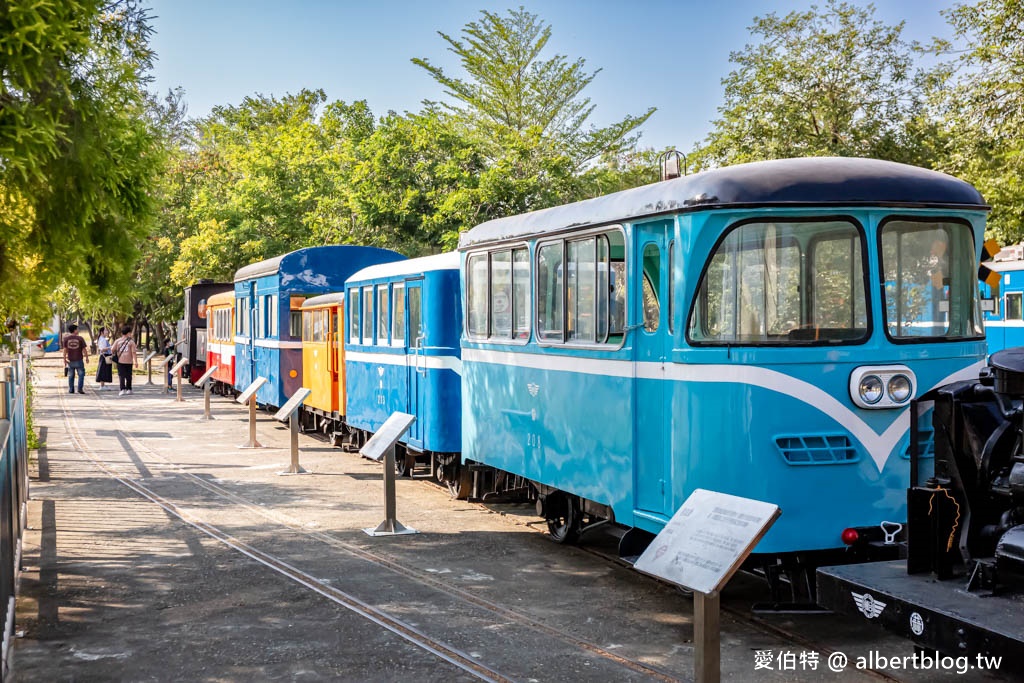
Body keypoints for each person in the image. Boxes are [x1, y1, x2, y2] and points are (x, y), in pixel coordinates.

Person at [62, 323, 89, 394]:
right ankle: (80, 388)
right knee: (81, 375)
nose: (78, 330)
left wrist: (64, 359)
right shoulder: (80, 338)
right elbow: (84, 349)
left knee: (71, 375)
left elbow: (65, 350)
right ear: (74, 330)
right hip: (79, 360)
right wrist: (86, 357)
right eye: (77, 329)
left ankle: (71, 389)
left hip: (70, 360)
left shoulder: (66, 339)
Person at [112, 325, 138, 396]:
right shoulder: (131, 342)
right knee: (129, 375)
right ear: (128, 333)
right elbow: (133, 352)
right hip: (129, 361)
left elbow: (112, 349)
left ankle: (122, 389)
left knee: (121, 375)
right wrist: (136, 361)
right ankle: (129, 389)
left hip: (120, 360)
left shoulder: (118, 341)